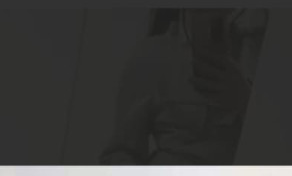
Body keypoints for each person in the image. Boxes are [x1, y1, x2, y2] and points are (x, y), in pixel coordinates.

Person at [100, 10, 267, 165]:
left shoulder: (265, 58)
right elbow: (121, 152)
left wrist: (247, 101)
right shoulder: (153, 56)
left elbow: (277, 146)